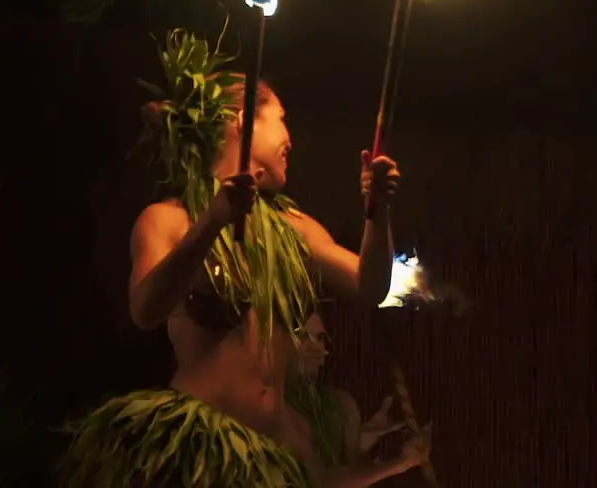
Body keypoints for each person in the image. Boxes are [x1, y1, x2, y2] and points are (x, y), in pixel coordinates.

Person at [58, 29, 402, 487]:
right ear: (243, 122)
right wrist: (215, 220)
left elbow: (370, 286)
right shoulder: (168, 220)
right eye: (282, 119)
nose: (290, 137)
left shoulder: (295, 228)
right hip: (201, 456)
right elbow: (146, 309)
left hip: (273, 457)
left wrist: (377, 215)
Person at [285, 311, 432, 486]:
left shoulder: (340, 405)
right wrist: (400, 464)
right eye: (302, 335)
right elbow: (320, 482)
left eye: (320, 337)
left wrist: (359, 439)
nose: (316, 346)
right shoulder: (267, 405)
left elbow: (344, 468)